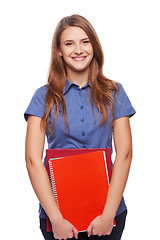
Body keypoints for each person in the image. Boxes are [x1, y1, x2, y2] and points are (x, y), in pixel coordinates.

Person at [24, 14, 136, 240]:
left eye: (85, 41)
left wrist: (108, 214)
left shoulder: (114, 92)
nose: (78, 49)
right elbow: (32, 160)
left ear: (94, 45)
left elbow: (124, 154)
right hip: (59, 217)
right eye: (69, 43)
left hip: (108, 212)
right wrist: (56, 219)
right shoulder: (42, 97)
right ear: (59, 51)